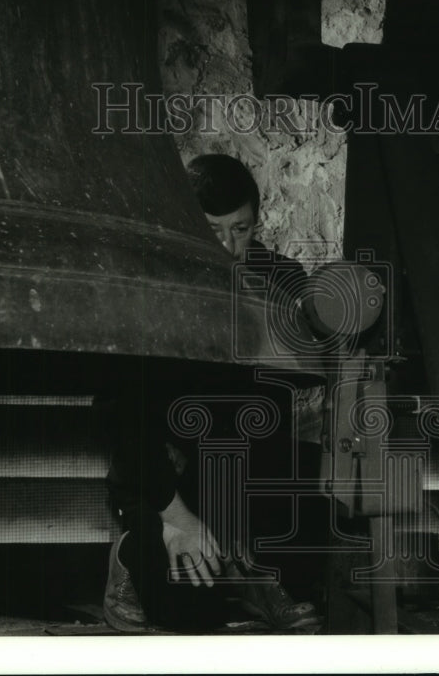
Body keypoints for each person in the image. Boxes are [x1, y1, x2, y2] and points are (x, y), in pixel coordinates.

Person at [102, 153, 321, 633]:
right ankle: (128, 556)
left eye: (240, 229)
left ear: (256, 221)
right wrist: (175, 519)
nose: (227, 245)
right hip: (163, 473)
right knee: (189, 617)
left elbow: (306, 374)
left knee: (313, 536)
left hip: (245, 464)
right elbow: (124, 417)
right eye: (212, 229)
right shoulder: (151, 280)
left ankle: (255, 574)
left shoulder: (279, 278)